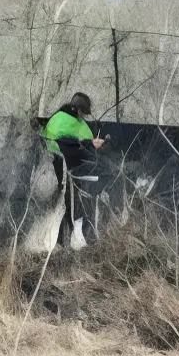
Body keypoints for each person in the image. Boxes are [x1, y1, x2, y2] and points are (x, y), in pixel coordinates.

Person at [42, 91, 106, 247]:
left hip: (57, 167)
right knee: (69, 206)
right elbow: (69, 145)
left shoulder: (58, 117)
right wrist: (92, 145)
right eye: (83, 113)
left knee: (65, 206)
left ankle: (63, 242)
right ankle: (65, 241)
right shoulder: (66, 121)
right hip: (63, 169)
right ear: (78, 111)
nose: (83, 117)